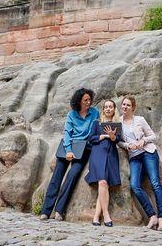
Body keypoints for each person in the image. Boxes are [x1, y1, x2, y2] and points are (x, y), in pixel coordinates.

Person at [39, 87, 98, 221]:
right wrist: (69, 150)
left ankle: (59, 210)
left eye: (89, 99)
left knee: (72, 176)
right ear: (79, 101)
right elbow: (67, 133)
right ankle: (46, 211)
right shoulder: (72, 114)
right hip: (69, 147)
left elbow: (93, 131)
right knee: (56, 178)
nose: (88, 102)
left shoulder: (94, 113)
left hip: (84, 149)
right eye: (85, 100)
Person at [119, 95, 162, 231]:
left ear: (133, 108)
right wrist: (127, 145)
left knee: (155, 183)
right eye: (123, 104)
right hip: (134, 156)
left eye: (128, 105)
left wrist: (143, 141)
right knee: (135, 185)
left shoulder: (140, 120)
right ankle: (152, 216)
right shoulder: (119, 122)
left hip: (148, 153)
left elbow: (153, 135)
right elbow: (118, 141)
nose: (125, 107)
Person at [86, 99, 121, 227]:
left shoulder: (117, 124)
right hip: (98, 153)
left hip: (111, 155)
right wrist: (101, 136)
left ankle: (96, 217)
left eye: (110, 107)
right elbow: (90, 138)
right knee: (102, 182)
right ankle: (106, 215)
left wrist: (112, 136)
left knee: (105, 185)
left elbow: (118, 139)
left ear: (114, 109)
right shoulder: (97, 123)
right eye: (106, 107)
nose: (108, 109)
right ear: (103, 109)